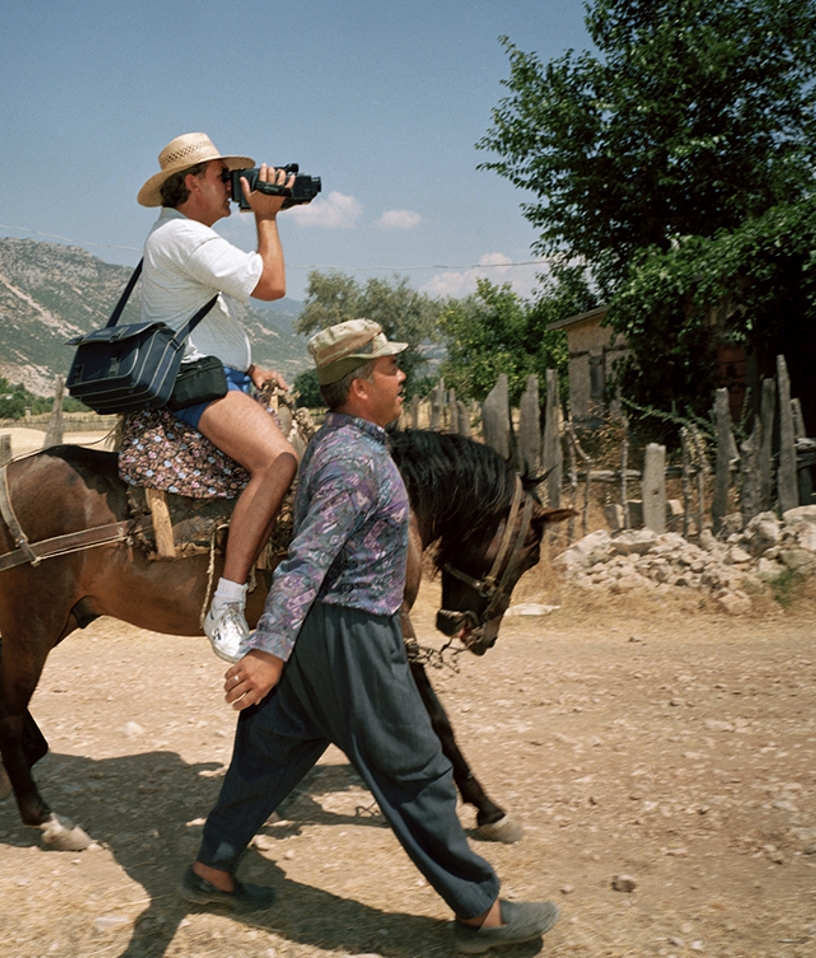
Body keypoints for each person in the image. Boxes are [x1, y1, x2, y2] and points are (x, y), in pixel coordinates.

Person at [177, 319, 560, 954]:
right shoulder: (357, 461)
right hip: (352, 632)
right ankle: (482, 914)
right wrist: (269, 651)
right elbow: (306, 559)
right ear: (359, 386)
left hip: (318, 636)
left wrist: (283, 649)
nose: (401, 375)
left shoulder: (338, 442)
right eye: (389, 368)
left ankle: (210, 868)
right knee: (418, 771)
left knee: (268, 752)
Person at [137, 132, 299, 664]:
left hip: (216, 375)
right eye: (221, 177)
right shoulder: (184, 236)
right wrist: (268, 215)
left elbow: (188, 321)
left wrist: (250, 366)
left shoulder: (182, 236)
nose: (233, 186)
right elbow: (271, 283)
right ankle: (226, 604)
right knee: (277, 460)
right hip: (197, 382)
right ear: (191, 183)